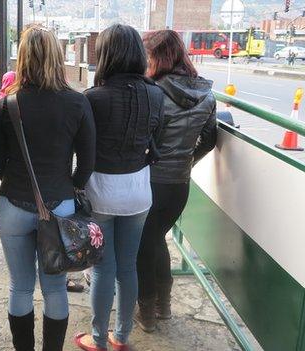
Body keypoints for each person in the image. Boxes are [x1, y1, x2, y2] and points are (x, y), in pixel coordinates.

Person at [0, 25, 96, 351]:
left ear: (21, 58)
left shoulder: (7, 105)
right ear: (58, 56)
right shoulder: (77, 103)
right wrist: (69, 187)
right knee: (55, 289)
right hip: (60, 207)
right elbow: (87, 164)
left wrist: (16, 181)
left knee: (20, 287)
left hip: (13, 204)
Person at [73, 24, 164, 351]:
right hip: (139, 193)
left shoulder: (93, 98)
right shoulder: (156, 94)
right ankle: (122, 337)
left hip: (100, 193)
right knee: (128, 267)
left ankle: (98, 340)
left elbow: (81, 150)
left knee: (102, 269)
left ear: (107, 55)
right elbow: (158, 140)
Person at [136, 29, 217, 333]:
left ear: (159, 57)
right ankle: (164, 306)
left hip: (151, 182)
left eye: (148, 57)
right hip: (179, 185)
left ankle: (146, 313)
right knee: (156, 239)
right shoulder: (207, 94)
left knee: (145, 244)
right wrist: (186, 161)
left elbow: (145, 138)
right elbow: (209, 140)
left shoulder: (153, 92)